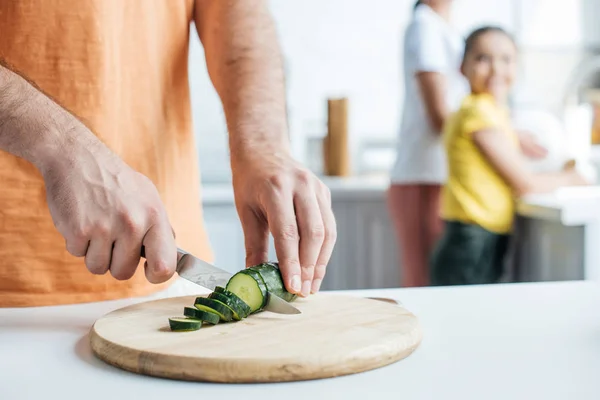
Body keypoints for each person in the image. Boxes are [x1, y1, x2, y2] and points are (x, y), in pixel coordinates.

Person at [0, 0, 336, 307]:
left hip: (167, 275)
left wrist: (264, 147)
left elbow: (236, 12)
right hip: (11, 286)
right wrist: (62, 146)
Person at [429, 26, 590, 286]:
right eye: (483, 58)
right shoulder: (478, 114)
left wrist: (514, 137)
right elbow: (525, 183)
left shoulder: (487, 112)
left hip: (479, 235)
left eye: (506, 59)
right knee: (468, 319)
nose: (496, 69)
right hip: (471, 240)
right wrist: (572, 177)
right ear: (462, 67)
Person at [387, 0, 468, 287]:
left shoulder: (439, 26)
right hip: (422, 175)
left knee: (433, 281)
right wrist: (499, 136)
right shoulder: (424, 25)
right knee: (424, 283)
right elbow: (439, 116)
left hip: (436, 173)